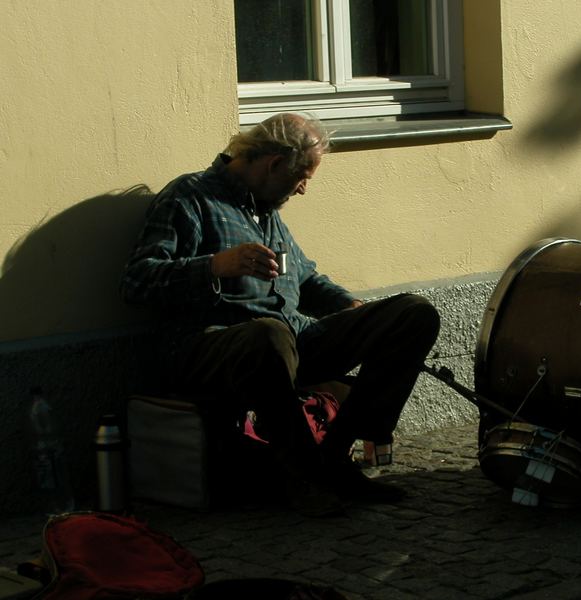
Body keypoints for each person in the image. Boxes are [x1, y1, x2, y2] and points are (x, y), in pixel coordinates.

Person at [120, 113, 441, 515]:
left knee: (414, 313)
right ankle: (303, 473)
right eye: (302, 176)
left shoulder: (268, 212)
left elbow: (306, 279)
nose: (304, 189)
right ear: (273, 164)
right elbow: (137, 281)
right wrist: (216, 266)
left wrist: (350, 307)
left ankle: (336, 455)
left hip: (294, 340)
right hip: (219, 344)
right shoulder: (189, 198)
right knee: (269, 334)